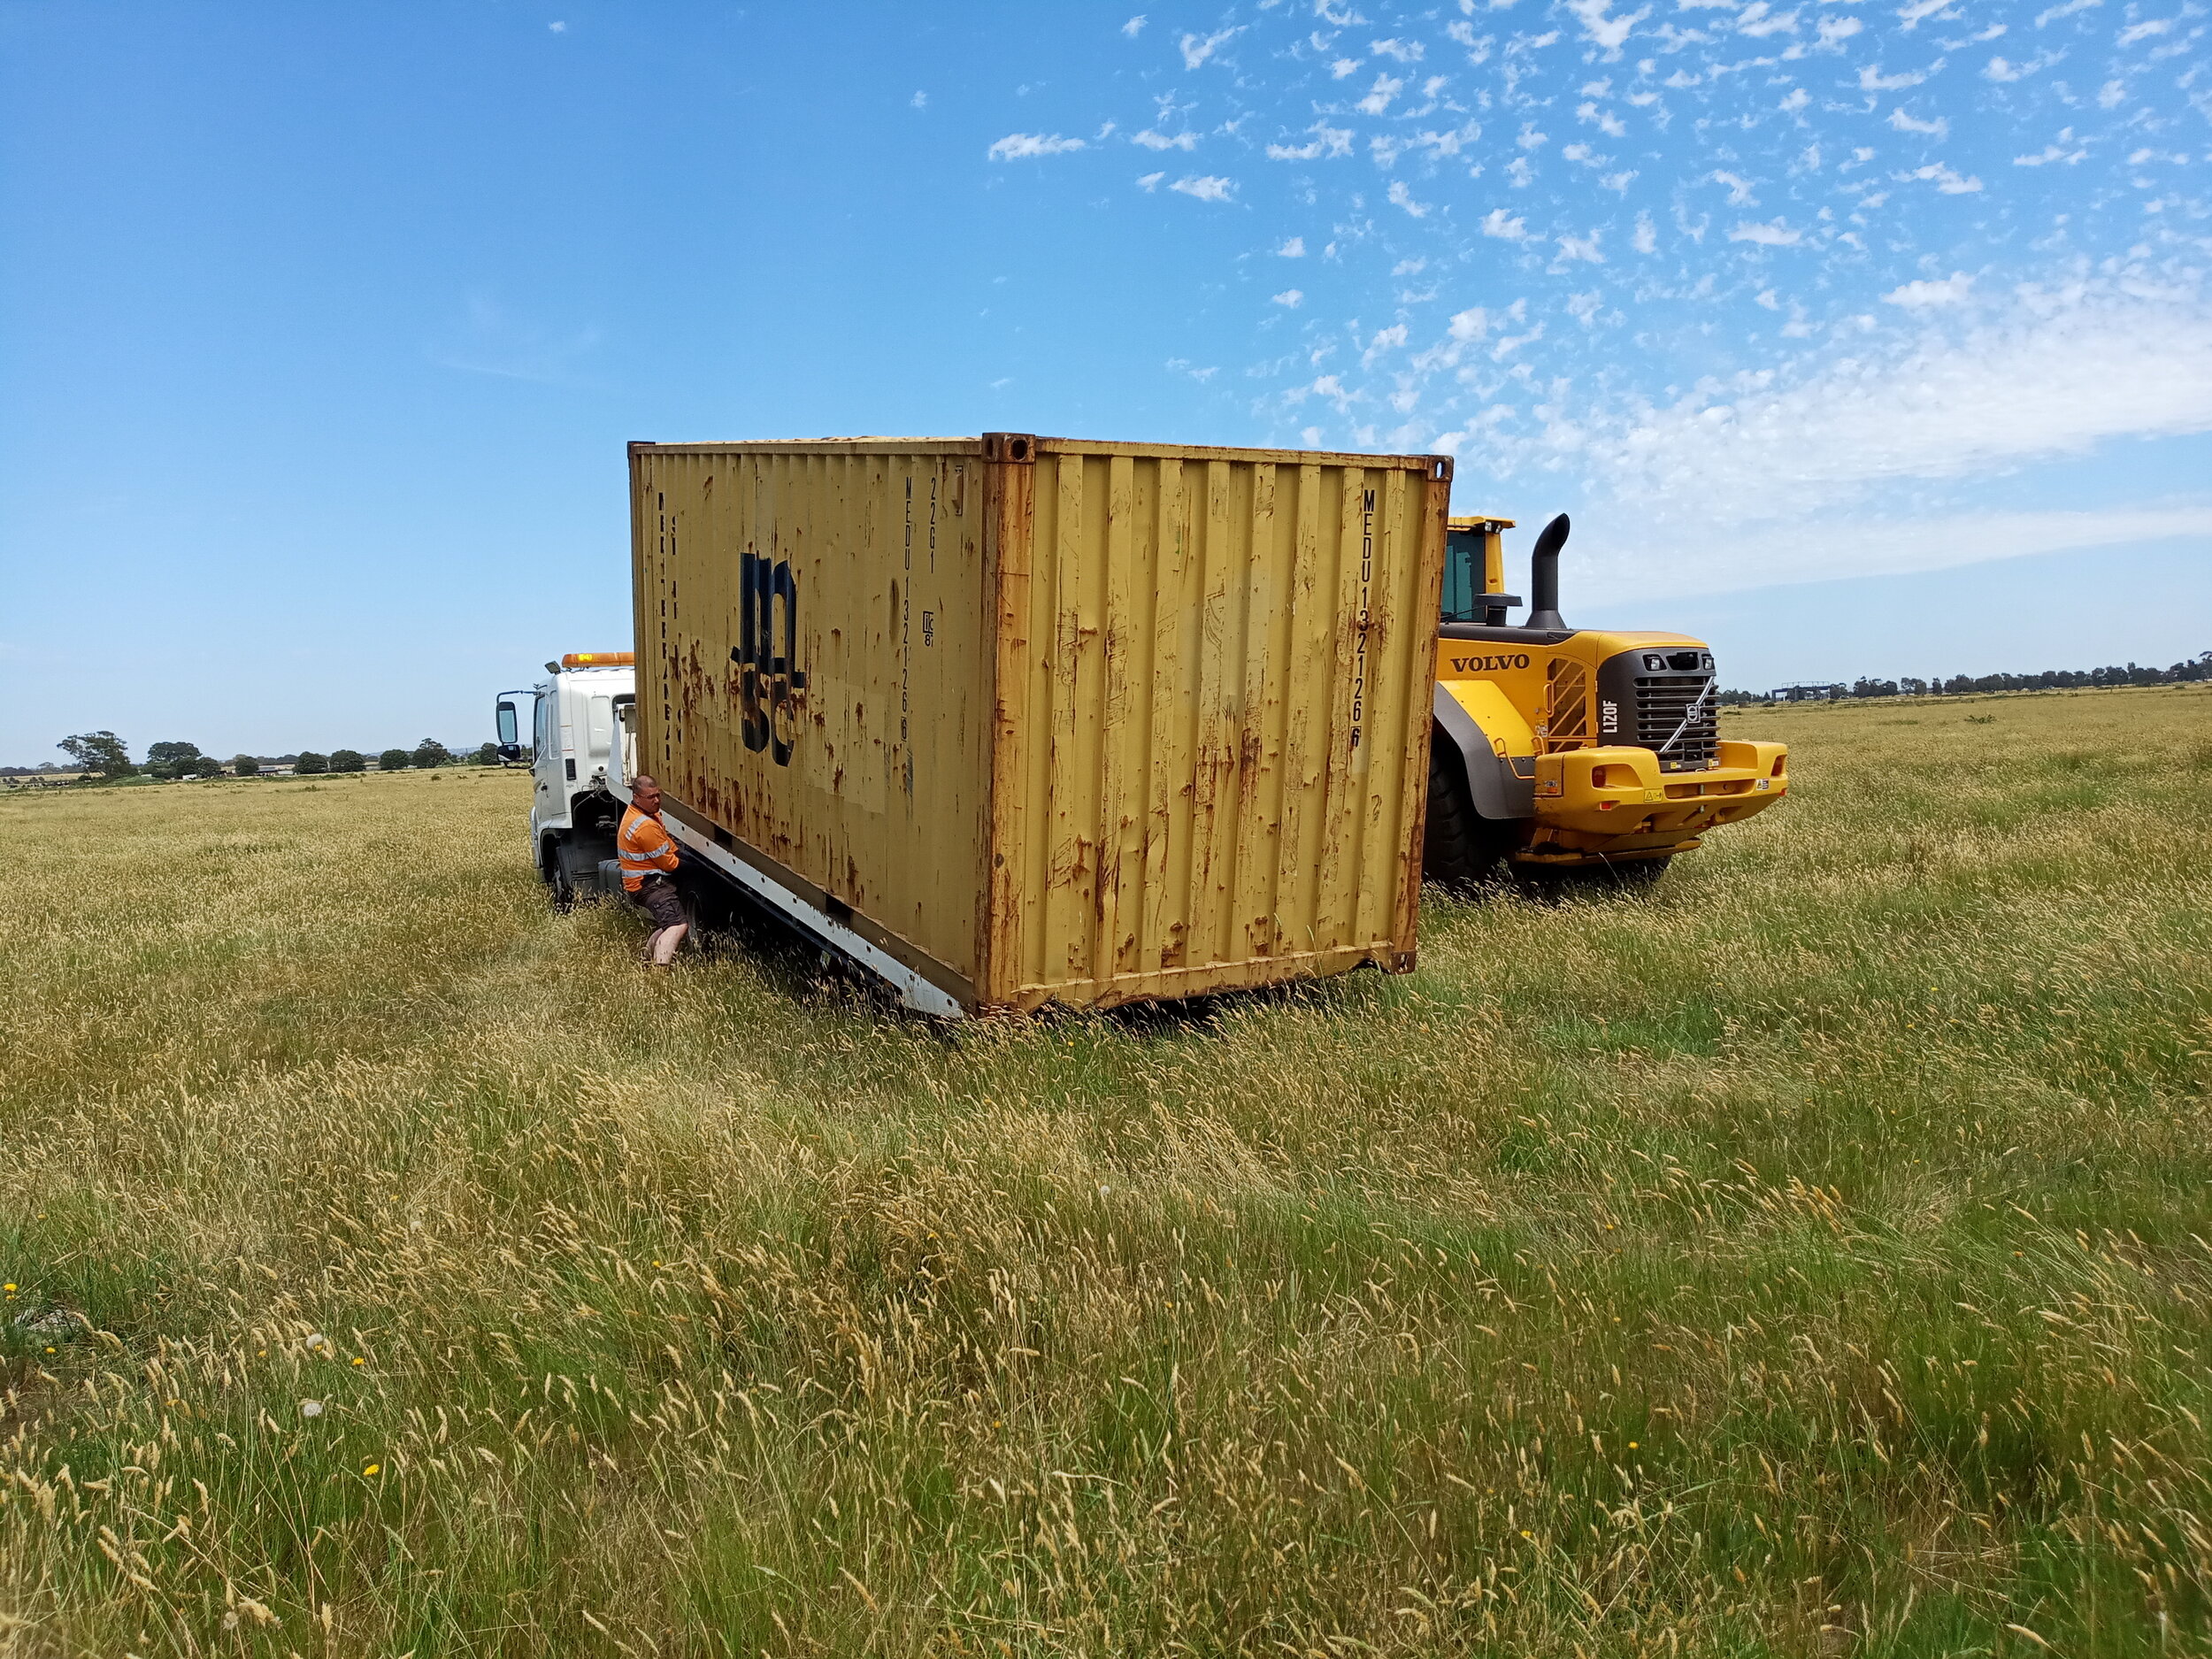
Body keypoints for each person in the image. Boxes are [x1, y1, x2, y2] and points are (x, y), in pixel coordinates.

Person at [618, 775, 687, 967]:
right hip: (649, 885)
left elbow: (667, 845)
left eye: (658, 795)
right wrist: (692, 867)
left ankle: (645, 960)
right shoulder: (644, 825)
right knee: (676, 925)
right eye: (650, 797)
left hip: (642, 884)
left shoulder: (645, 815)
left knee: (668, 924)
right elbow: (670, 864)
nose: (656, 801)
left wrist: (680, 854)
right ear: (637, 797)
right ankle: (660, 971)